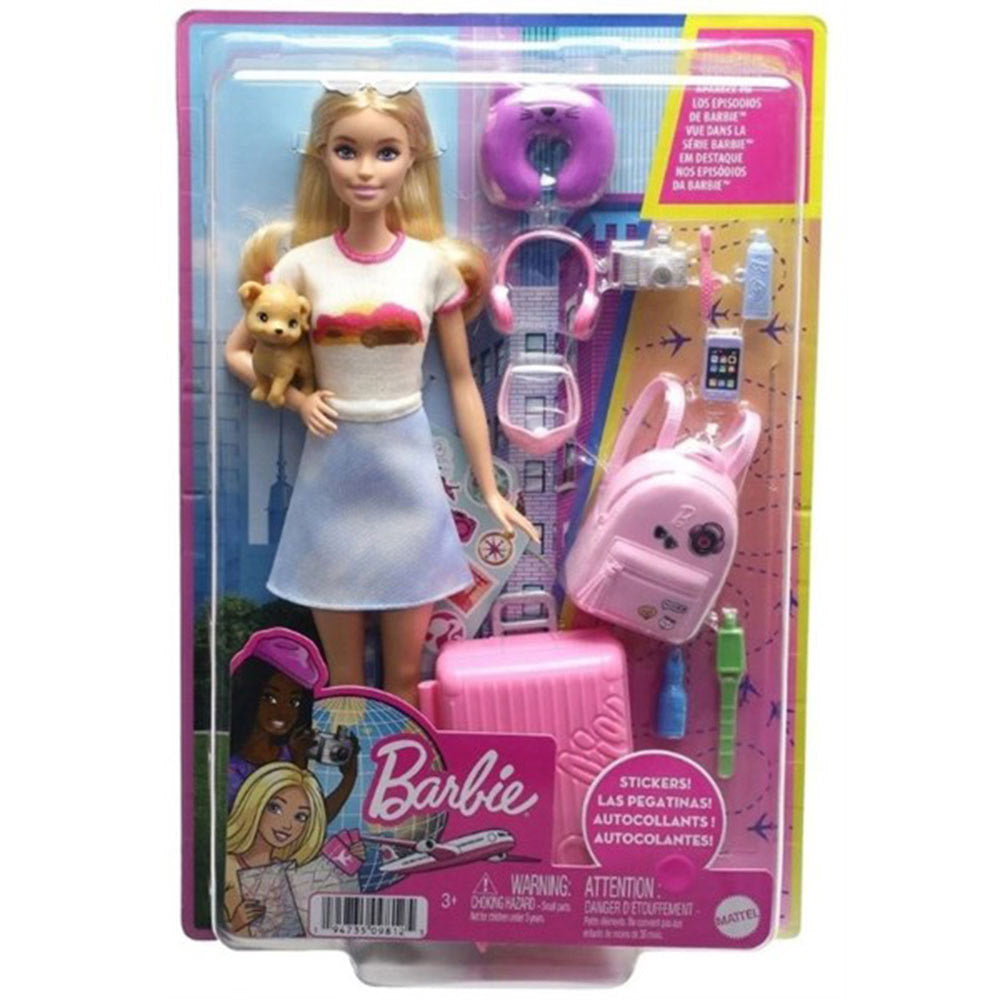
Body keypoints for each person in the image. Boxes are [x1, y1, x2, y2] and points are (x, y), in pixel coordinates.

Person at [226, 85, 537, 705]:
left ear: (412, 158)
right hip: (332, 472)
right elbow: (238, 353)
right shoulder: (302, 266)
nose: (365, 170)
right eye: (347, 151)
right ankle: (347, 769)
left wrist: (490, 490)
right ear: (322, 155)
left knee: (403, 674)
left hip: (407, 474)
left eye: (386, 152)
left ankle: (405, 768)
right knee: (342, 677)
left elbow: (460, 379)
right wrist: (299, 401)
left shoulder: (429, 267)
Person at [223, 762, 327, 936]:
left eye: (300, 817)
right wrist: (235, 923)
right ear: (255, 803)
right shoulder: (227, 864)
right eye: (275, 808)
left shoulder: (287, 872)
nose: (287, 825)